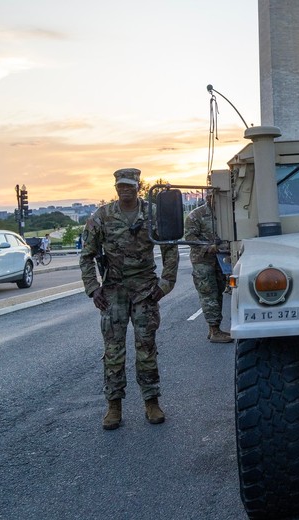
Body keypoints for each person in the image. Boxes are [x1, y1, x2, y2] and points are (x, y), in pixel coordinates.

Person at [79, 168, 179, 431]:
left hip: (146, 290)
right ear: (115, 188)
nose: (125, 190)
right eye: (120, 186)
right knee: (113, 351)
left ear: (138, 187)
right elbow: (86, 255)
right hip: (114, 292)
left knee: (146, 348)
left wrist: (165, 284)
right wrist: (93, 288)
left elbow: (170, 247)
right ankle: (114, 405)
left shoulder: (152, 214)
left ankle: (152, 401)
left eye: (130, 186)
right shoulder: (102, 216)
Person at [183, 190, 232, 343]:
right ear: (207, 197)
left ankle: (214, 329)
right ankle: (214, 330)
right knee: (208, 295)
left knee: (218, 293)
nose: (214, 200)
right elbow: (190, 237)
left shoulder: (227, 213)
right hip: (203, 262)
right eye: (211, 197)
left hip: (221, 260)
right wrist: (208, 247)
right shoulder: (196, 215)